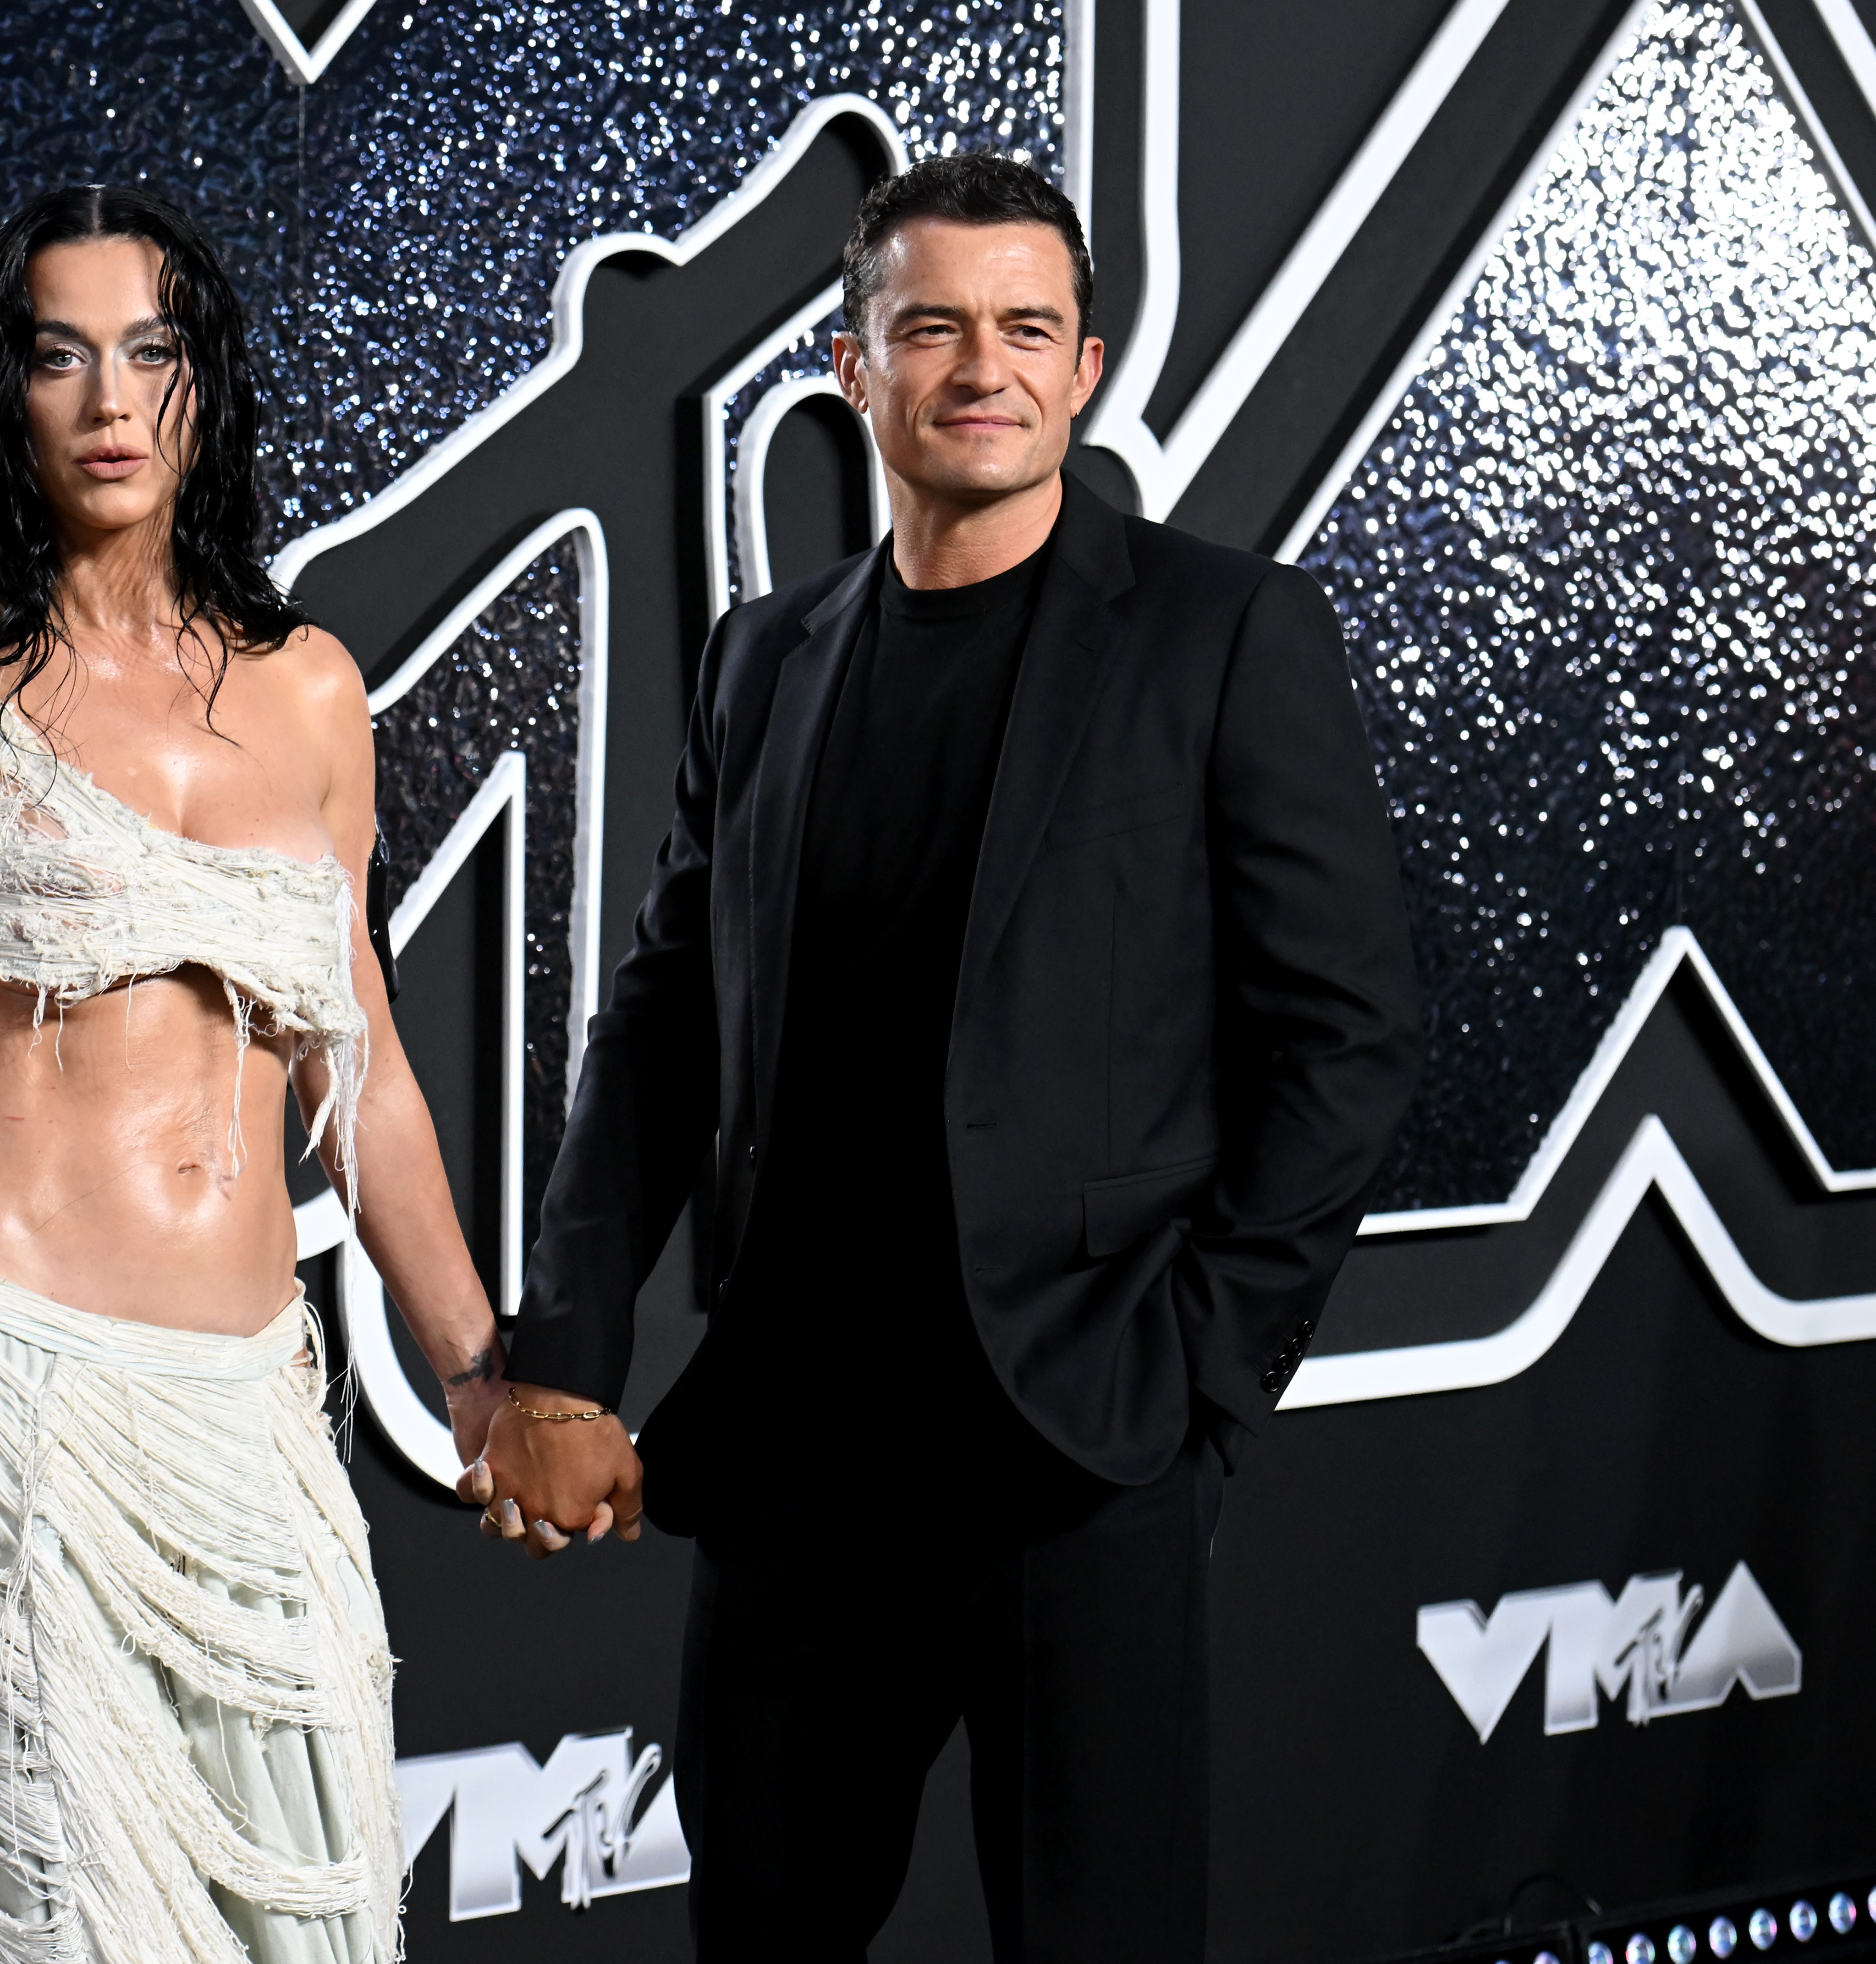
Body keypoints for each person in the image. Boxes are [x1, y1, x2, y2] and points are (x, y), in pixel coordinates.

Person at [467, 154, 1426, 1958]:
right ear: (855, 367)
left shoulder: (1223, 634)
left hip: (1077, 1450)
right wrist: (564, 1361)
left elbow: (1349, 1040)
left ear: (1085, 368)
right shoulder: (764, 660)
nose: (983, 366)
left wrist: (1200, 1379)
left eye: (1026, 329)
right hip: (796, 1463)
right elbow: (661, 1026)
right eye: (933, 328)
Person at [0, 184, 504, 1964]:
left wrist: (480, 1369)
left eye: (151, 352)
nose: (109, 399)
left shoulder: (312, 693)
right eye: (61, 355)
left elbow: (365, 1069)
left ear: (204, 386)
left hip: (249, 1424)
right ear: (3, 394)